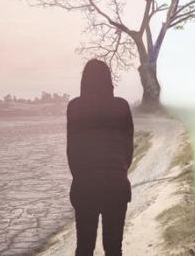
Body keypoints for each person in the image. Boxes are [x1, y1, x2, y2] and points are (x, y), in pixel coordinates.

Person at [66, 59, 134, 256]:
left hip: (85, 186)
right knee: (114, 248)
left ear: (84, 81)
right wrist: (119, 172)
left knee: (84, 247)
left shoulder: (75, 107)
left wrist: (81, 178)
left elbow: (72, 150)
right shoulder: (121, 106)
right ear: (109, 80)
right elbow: (127, 148)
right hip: (116, 185)